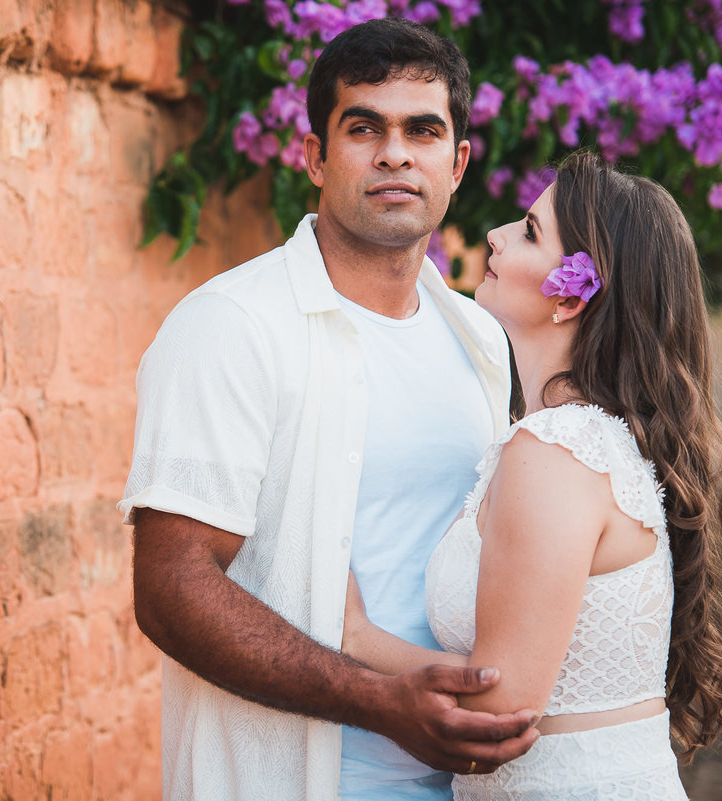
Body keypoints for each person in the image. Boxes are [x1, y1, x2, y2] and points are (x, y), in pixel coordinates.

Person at [121, 17, 539, 801]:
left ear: (457, 163)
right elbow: (171, 586)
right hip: (295, 781)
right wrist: (381, 703)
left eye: (422, 130)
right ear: (314, 156)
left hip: (472, 784)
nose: (394, 154)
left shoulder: (479, 336)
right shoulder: (234, 326)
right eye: (364, 127)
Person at [342, 149, 722, 799]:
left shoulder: (556, 450)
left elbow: (499, 707)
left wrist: (357, 635)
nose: (496, 235)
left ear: (571, 295)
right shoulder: (578, 439)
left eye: (530, 231)